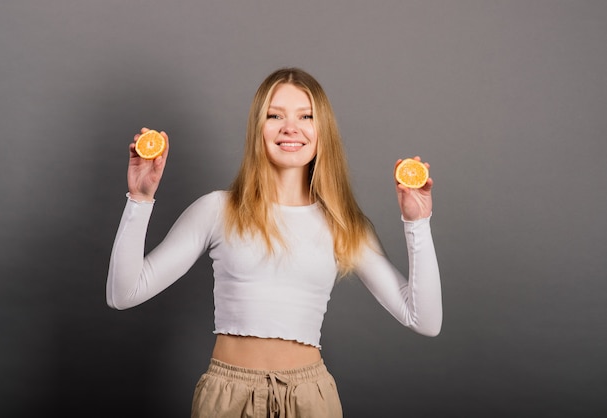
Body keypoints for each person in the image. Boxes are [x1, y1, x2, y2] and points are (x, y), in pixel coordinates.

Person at [106, 67, 442, 418]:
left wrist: (417, 223)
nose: (290, 127)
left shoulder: (343, 224)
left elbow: (424, 320)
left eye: (306, 116)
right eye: (275, 115)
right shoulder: (217, 209)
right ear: (258, 128)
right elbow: (123, 294)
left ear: (321, 129)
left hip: (310, 399)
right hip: (227, 396)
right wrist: (140, 199)